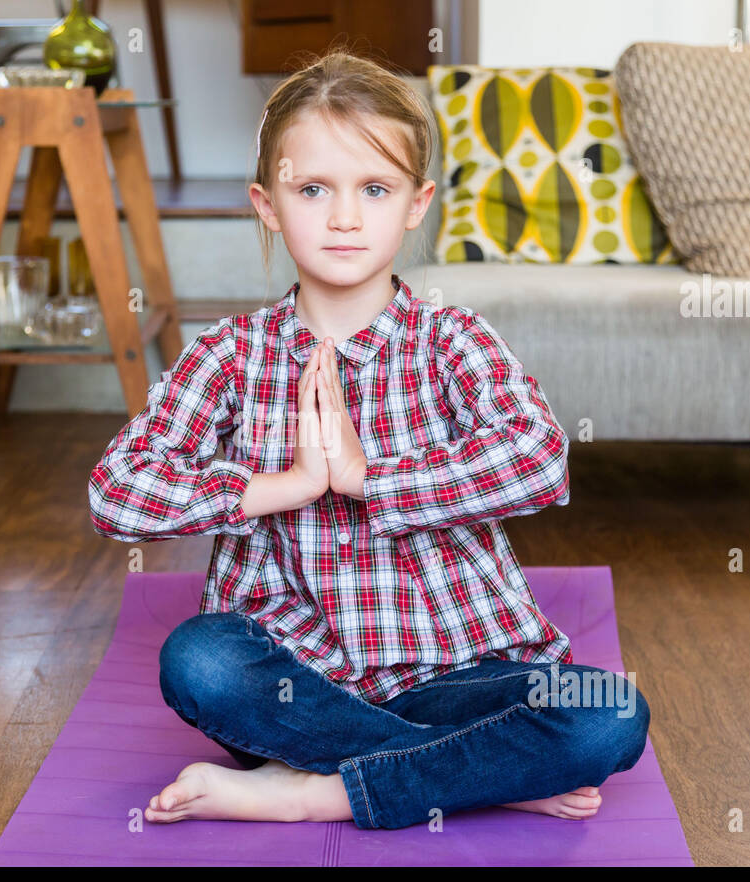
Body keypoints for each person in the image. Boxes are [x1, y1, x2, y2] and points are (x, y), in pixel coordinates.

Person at [88, 47, 649, 830]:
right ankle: (472, 773)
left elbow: (539, 460)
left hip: (461, 674)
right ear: (268, 204)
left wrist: (363, 477)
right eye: (313, 189)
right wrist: (286, 485)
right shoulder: (231, 352)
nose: (344, 217)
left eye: (374, 189)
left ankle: (321, 792)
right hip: (301, 689)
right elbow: (116, 490)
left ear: (416, 205)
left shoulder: (451, 339)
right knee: (199, 659)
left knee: (610, 711)